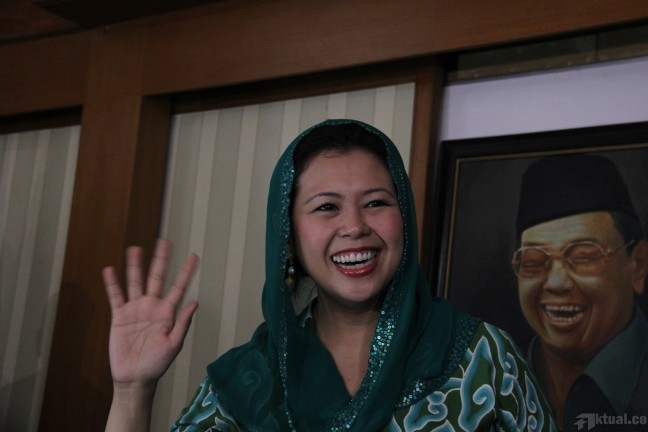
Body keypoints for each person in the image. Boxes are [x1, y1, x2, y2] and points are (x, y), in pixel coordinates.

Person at [104, 119, 556, 431]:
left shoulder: (484, 357)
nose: (354, 226)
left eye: (376, 202)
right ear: (289, 238)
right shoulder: (249, 379)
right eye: (326, 207)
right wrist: (132, 390)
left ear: (405, 220)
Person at [512, 154, 648, 431]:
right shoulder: (492, 378)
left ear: (638, 265)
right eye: (533, 261)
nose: (556, 283)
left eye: (584, 257)